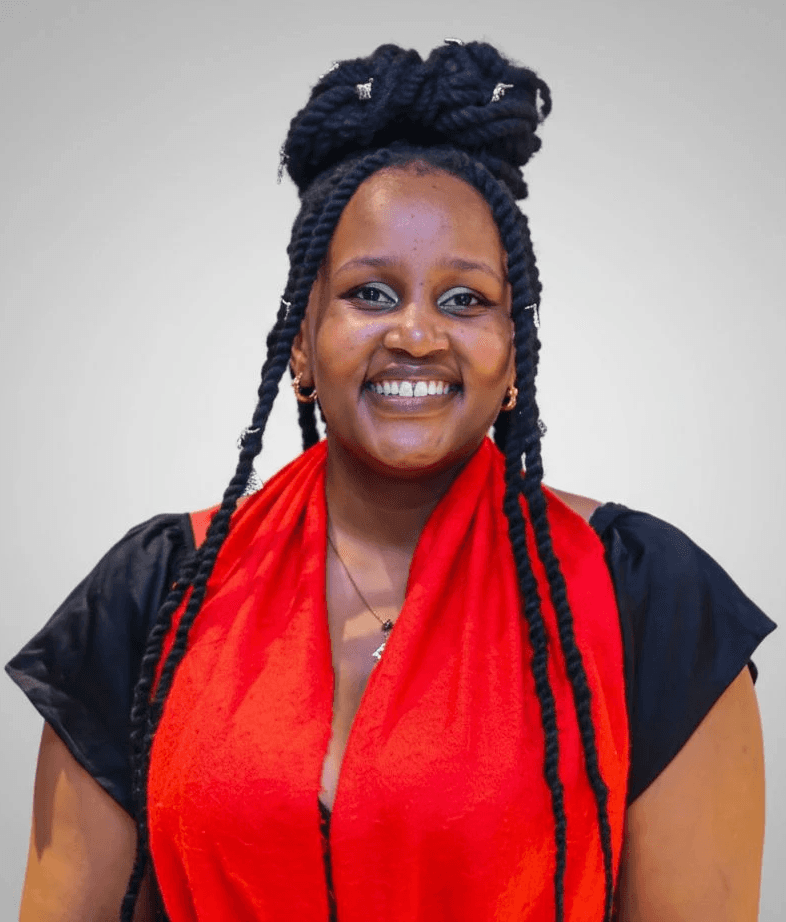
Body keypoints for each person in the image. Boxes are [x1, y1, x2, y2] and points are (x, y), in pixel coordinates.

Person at [7, 40, 776, 922]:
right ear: (301, 342)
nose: (416, 335)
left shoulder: (649, 599)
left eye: (465, 301)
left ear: (513, 354)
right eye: (371, 293)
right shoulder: (155, 593)